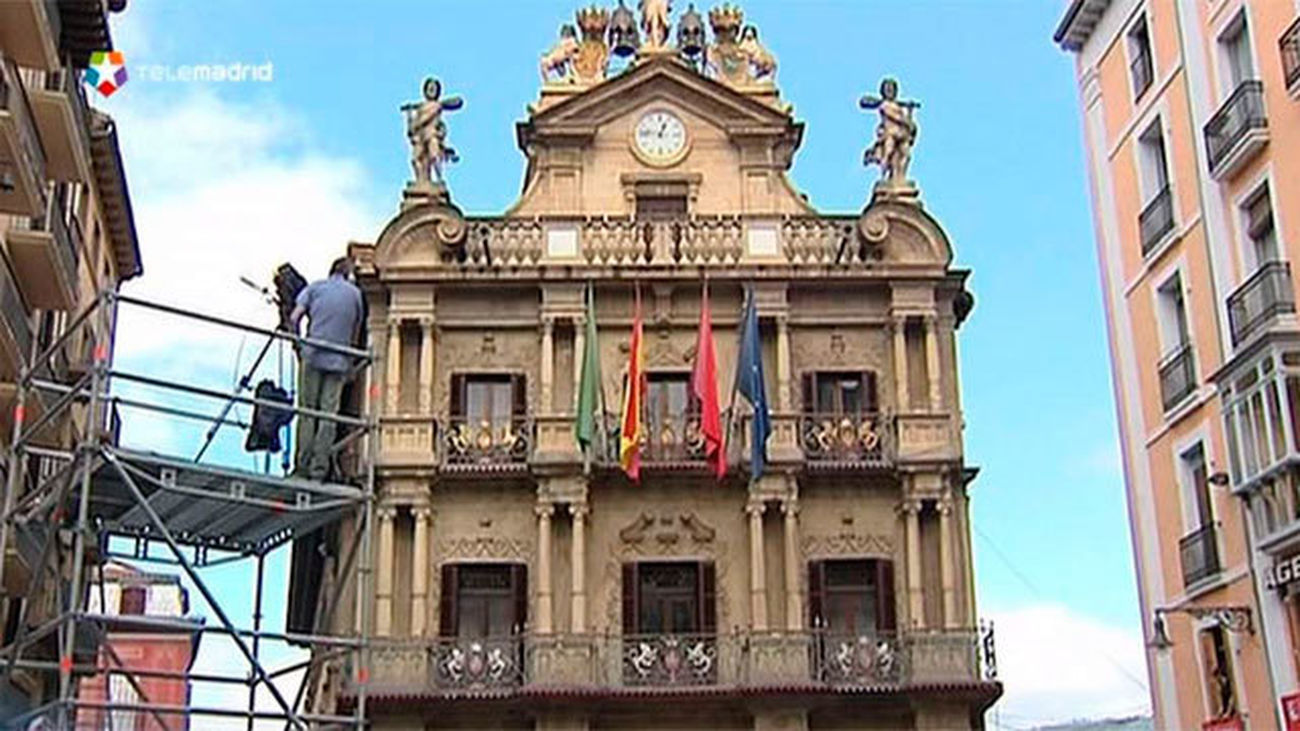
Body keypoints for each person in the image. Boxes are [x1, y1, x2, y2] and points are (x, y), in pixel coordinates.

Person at [290, 256, 363, 480]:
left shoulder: (315, 288)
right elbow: (355, 331)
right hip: (339, 361)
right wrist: (349, 361)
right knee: (328, 415)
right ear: (349, 274)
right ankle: (319, 469)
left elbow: (294, 318)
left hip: (312, 355)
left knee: (307, 412)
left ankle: (302, 467)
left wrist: (299, 343)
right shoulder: (356, 295)